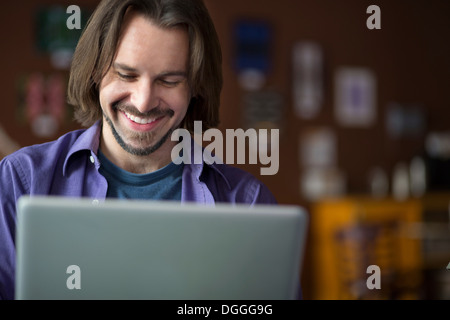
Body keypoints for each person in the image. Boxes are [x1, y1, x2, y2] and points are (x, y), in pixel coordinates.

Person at [0, 0, 278, 300]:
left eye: (169, 81)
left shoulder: (248, 206)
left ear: (195, 86)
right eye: (126, 75)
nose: (143, 102)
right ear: (95, 70)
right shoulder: (19, 183)